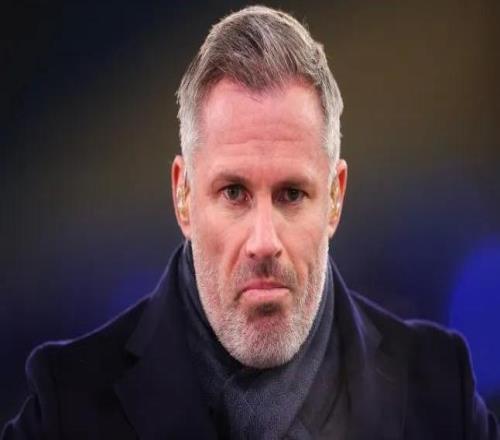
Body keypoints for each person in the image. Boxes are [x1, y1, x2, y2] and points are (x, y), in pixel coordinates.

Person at [2, 5, 498, 439]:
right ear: (183, 196)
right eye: (234, 193)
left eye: (291, 194)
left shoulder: (440, 393)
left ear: (334, 198)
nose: (264, 242)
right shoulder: (68, 404)